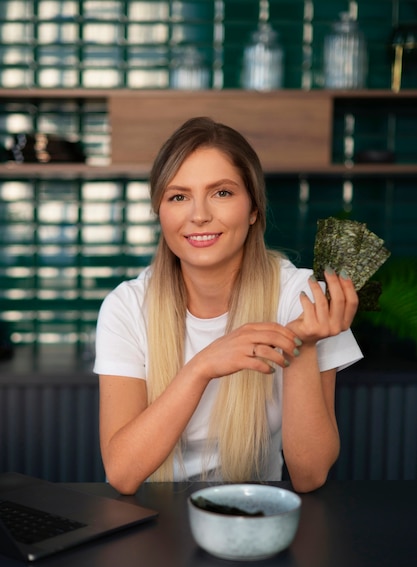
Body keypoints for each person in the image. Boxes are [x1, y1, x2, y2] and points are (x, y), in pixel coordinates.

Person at [94, 116, 362, 495]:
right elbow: (122, 473)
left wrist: (302, 345)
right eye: (178, 196)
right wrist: (202, 367)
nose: (199, 214)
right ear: (160, 213)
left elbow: (310, 474)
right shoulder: (126, 307)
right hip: (153, 518)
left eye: (221, 193)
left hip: (254, 510)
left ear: (253, 209)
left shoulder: (300, 297)